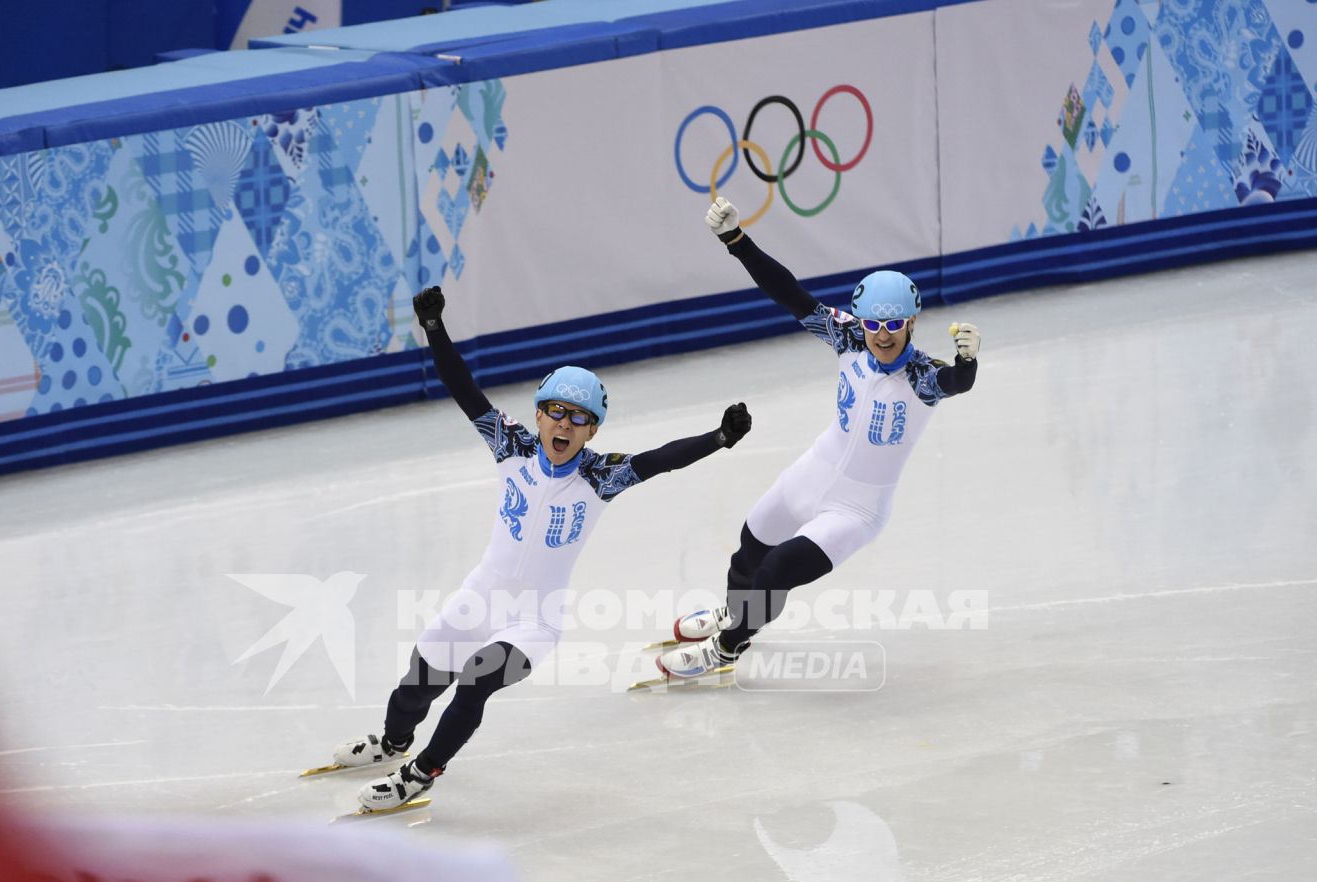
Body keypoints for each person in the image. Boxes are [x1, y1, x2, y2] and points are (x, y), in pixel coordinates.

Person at [335, 285, 751, 812]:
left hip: (535, 621)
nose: (565, 424)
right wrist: (434, 329)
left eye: (579, 418)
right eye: (556, 411)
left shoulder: (601, 476)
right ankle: (393, 744)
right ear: (537, 415)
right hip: (479, 598)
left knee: (477, 681)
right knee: (417, 682)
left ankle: (421, 773)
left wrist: (717, 437)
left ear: (592, 429)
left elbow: (660, 458)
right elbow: (466, 392)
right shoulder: (511, 447)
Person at [656, 196, 981, 679]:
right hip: (815, 471)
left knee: (777, 571)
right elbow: (789, 293)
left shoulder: (924, 376)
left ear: (912, 322)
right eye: (874, 323)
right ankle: (735, 612)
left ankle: (728, 647)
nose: (883, 335)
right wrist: (736, 241)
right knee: (750, 544)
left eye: (894, 325)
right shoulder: (847, 336)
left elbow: (957, 383)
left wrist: (968, 364)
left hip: (858, 508)